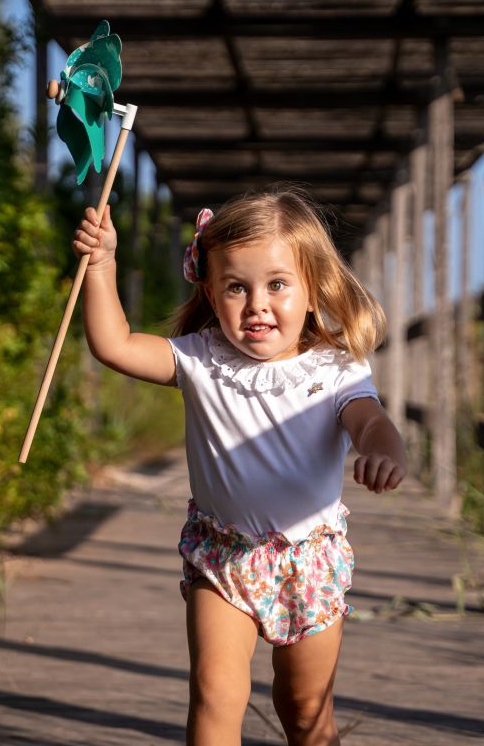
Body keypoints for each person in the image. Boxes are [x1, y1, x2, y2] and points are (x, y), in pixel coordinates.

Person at [73, 186, 407, 746]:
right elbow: (115, 344)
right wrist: (101, 264)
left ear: (312, 290)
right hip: (222, 555)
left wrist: (382, 452)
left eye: (277, 284)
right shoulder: (201, 360)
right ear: (209, 289)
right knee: (215, 695)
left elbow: (371, 423)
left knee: (302, 708)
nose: (256, 303)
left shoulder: (334, 369)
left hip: (310, 562)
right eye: (236, 286)